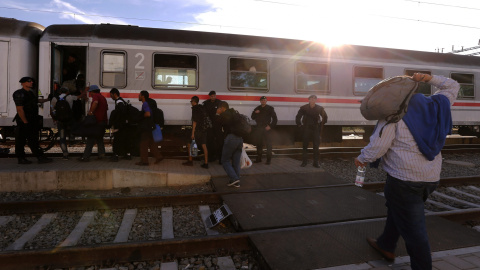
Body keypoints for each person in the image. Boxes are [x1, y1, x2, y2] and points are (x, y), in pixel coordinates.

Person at [355, 73, 459, 270]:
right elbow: (452, 86)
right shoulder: (436, 105)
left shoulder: (394, 116)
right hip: (430, 178)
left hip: (404, 180)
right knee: (400, 210)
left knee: (415, 233)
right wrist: (429, 78)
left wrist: (361, 158)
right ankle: (386, 244)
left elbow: (378, 147)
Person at [12, 77, 53, 164]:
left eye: (32, 81)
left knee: (33, 139)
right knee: (21, 140)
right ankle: (22, 158)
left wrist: (47, 99)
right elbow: (20, 109)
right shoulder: (19, 94)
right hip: (24, 120)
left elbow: (36, 101)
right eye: (29, 81)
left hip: (31, 119)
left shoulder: (30, 93)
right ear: (23, 83)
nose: (31, 83)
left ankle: (39, 157)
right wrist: (25, 122)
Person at [295, 95, 328, 168]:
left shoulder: (319, 108)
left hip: (315, 129)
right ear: (308, 100)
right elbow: (298, 117)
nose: (312, 100)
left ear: (316, 100)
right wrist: (300, 125)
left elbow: (325, 117)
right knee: (305, 146)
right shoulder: (303, 108)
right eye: (311, 99)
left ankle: (315, 163)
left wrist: (320, 125)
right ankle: (304, 162)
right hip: (306, 128)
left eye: (314, 99)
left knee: (316, 146)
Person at [216, 101, 243, 188]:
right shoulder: (234, 113)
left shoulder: (225, 114)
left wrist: (217, 114)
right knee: (236, 162)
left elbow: (217, 124)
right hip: (240, 139)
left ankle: (234, 178)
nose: (218, 110)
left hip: (231, 138)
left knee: (225, 160)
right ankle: (237, 181)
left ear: (222, 108)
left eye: (218, 108)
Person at [78, 85, 108, 162]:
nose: (90, 94)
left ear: (93, 91)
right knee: (99, 139)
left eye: (90, 92)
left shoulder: (96, 96)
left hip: (96, 122)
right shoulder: (103, 98)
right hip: (103, 122)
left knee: (90, 139)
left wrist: (90, 112)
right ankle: (101, 155)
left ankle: (85, 157)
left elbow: (95, 103)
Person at [136, 90, 163, 166]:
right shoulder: (151, 102)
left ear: (143, 96)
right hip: (152, 125)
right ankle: (159, 156)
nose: (138, 96)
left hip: (146, 127)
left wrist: (142, 116)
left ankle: (144, 161)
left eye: (139, 95)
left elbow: (148, 114)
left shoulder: (145, 103)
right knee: (151, 143)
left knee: (143, 144)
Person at [50, 86, 77, 160]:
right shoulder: (70, 97)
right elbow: (79, 97)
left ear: (59, 92)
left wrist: (54, 119)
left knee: (62, 138)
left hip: (60, 121)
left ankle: (65, 154)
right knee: (73, 128)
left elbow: (52, 109)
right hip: (69, 120)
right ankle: (72, 138)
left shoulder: (55, 99)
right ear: (67, 92)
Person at [183, 96, 209, 169]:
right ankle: (206, 163)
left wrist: (192, 133)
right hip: (204, 129)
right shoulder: (201, 107)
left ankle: (190, 161)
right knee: (204, 145)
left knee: (189, 143)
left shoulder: (195, 109)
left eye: (191, 101)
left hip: (198, 130)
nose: (191, 103)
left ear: (194, 102)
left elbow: (194, 122)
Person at [109, 88, 134, 161]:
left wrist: (117, 124)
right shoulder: (122, 101)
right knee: (125, 139)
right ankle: (127, 154)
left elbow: (121, 113)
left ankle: (115, 156)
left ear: (115, 94)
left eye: (111, 95)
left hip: (120, 125)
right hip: (124, 124)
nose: (111, 97)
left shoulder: (119, 102)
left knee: (117, 140)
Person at [251, 96, 277, 165]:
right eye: (262, 100)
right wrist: (255, 113)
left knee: (268, 144)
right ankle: (259, 159)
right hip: (259, 128)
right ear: (260, 101)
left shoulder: (270, 108)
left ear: (266, 101)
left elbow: (275, 119)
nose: (263, 101)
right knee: (259, 144)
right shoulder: (257, 108)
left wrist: (270, 126)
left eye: (264, 100)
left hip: (266, 128)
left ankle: (268, 160)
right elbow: (252, 117)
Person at [202, 91, 222, 162]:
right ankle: (211, 157)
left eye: (214, 96)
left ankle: (220, 158)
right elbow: (204, 112)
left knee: (219, 141)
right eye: (211, 96)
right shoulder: (206, 103)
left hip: (217, 125)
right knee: (210, 141)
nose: (213, 97)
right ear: (209, 96)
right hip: (210, 125)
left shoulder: (219, 102)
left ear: (215, 96)